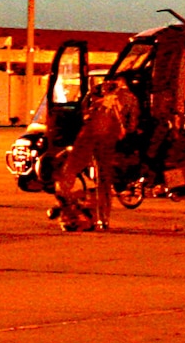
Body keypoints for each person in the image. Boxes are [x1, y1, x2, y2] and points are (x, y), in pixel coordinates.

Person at [54, 78, 139, 232]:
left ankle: (70, 209)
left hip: (87, 136)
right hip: (107, 139)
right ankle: (101, 219)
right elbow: (131, 124)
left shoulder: (97, 94)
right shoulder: (130, 98)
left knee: (68, 172)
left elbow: (83, 112)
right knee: (104, 179)